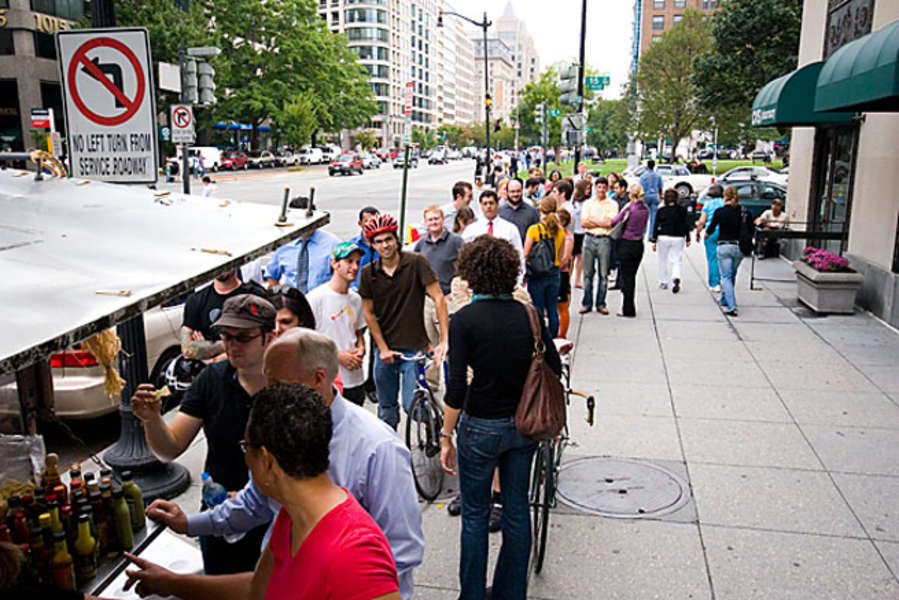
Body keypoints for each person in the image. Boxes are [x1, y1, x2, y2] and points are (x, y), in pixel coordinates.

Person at [124, 328, 424, 600]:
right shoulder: (289, 515)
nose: (267, 392)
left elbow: (399, 555)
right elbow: (259, 582)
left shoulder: (377, 452)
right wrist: (185, 537)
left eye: (277, 383)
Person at [440, 235, 561, 600]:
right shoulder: (529, 315)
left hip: (480, 426)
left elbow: (456, 387)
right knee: (517, 509)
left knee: (475, 516)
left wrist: (446, 435)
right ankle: (511, 593)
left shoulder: (464, 321)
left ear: (471, 274)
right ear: (511, 272)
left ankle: (472, 594)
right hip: (523, 426)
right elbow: (552, 365)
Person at [132, 295, 278, 574]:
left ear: (268, 337)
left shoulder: (287, 382)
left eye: (243, 337)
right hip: (219, 514)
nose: (232, 345)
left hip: (274, 518)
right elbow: (170, 448)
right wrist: (152, 420)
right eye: (227, 336)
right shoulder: (211, 380)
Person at [240, 383, 400, 600]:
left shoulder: (354, 556)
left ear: (267, 461)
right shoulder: (292, 516)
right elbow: (258, 592)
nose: (245, 458)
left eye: (246, 447)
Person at [359, 213, 449, 429]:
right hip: (386, 350)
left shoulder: (416, 263)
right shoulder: (368, 273)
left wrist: (444, 340)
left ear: (396, 239)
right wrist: (382, 348)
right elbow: (369, 313)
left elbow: (438, 297)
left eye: (388, 239)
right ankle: (392, 454)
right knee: (386, 410)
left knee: (412, 406)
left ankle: (435, 423)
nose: (385, 245)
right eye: (378, 242)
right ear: (372, 244)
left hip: (414, 348)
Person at [307, 242, 367, 406]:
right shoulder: (316, 298)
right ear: (334, 263)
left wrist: (361, 348)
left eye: (357, 262)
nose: (354, 267)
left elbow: (358, 332)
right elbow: (307, 339)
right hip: (329, 380)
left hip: (355, 378)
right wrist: (338, 355)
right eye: (349, 261)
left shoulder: (356, 299)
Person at [414, 205, 464, 392]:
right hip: (427, 301)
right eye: (430, 219)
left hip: (447, 299)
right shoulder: (421, 244)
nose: (433, 222)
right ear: (425, 222)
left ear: (443, 220)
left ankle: (454, 383)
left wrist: (456, 289)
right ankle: (431, 384)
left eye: (437, 219)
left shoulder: (455, 241)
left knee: (449, 344)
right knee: (430, 344)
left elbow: (464, 265)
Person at [181, 270, 266, 363]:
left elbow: (261, 342)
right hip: (208, 373)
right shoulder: (196, 300)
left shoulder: (255, 296)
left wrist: (209, 351)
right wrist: (238, 343)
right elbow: (187, 349)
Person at [705, 186, 753, 317]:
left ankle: (732, 306)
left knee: (726, 276)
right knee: (732, 274)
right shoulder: (745, 212)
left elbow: (711, 228)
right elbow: (751, 230)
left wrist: (705, 234)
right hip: (739, 247)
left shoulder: (720, 212)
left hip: (724, 246)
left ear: (725, 196)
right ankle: (724, 299)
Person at [523, 197, 565, 336]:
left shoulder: (534, 230)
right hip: (554, 271)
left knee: (538, 308)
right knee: (553, 308)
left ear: (540, 210)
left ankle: (540, 336)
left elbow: (526, 253)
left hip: (537, 273)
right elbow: (562, 254)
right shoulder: (560, 230)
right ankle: (553, 337)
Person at [579, 176, 619, 314]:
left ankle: (601, 303)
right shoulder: (588, 203)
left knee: (603, 274)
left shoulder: (612, 204)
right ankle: (587, 302)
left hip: (604, 239)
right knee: (587, 274)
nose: (601, 190)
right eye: (599, 187)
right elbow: (583, 222)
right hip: (589, 238)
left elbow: (610, 223)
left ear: (607, 189)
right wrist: (600, 222)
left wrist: (594, 221)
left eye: (604, 187)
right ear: (595, 188)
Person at [462, 190, 526, 276]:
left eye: (491, 203)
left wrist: (519, 279)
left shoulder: (510, 229)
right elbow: (464, 256)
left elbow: (519, 255)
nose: (488, 206)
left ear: (497, 204)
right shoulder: (471, 230)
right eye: (485, 203)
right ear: (481, 206)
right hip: (478, 278)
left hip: (504, 276)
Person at [611, 184, 650, 317]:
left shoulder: (629, 208)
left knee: (626, 277)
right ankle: (629, 305)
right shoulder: (645, 209)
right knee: (632, 276)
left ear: (631, 195)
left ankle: (627, 308)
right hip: (638, 244)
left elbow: (615, 221)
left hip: (626, 243)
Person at [265, 228, 339, 293]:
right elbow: (272, 275)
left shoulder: (332, 244)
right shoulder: (283, 243)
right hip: (293, 302)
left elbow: (345, 275)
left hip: (323, 301)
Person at [651, 188, 691, 293]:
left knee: (663, 260)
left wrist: (654, 239)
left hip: (663, 236)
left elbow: (655, 225)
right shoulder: (682, 210)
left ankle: (663, 281)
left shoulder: (661, 210)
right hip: (678, 236)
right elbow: (686, 224)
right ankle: (676, 276)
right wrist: (688, 238)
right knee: (677, 259)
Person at [694, 184, 726, 292]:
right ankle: (724, 279)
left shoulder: (707, 204)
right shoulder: (725, 203)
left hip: (711, 232)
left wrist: (698, 232)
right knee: (723, 258)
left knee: (712, 258)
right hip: (724, 232)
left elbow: (702, 221)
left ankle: (714, 283)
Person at [498, 178, 539, 243]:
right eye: (512, 191)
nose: (515, 194)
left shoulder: (532, 212)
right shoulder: (499, 212)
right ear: (507, 192)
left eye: (518, 191)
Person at [350, 206, 381, 290]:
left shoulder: (385, 246)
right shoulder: (352, 246)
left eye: (374, 221)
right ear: (360, 223)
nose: (371, 224)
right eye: (367, 221)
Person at [556, 207, 575, 337]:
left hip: (560, 274)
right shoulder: (555, 235)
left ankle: (562, 334)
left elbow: (566, 258)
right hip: (554, 273)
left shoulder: (567, 237)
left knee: (562, 305)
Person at [567, 179, 589, 289]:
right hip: (574, 230)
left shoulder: (588, 201)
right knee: (571, 256)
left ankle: (577, 279)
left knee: (580, 256)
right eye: (587, 188)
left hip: (583, 231)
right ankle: (569, 277)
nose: (589, 190)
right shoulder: (573, 200)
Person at [638, 159, 664, 236]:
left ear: (647, 166)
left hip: (645, 195)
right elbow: (660, 187)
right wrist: (660, 196)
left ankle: (643, 232)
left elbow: (640, 187)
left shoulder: (643, 176)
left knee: (644, 215)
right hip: (655, 195)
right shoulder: (658, 176)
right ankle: (652, 234)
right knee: (654, 216)